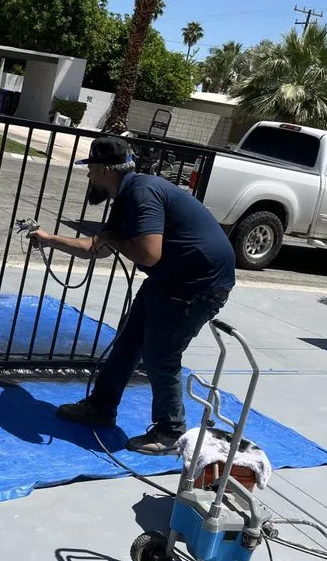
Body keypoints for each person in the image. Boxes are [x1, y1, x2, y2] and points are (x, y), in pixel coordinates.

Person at [30, 136, 235, 455]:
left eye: (91, 169)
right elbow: (94, 250)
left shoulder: (140, 193)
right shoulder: (125, 196)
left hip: (199, 284)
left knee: (160, 354)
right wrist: (48, 240)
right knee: (128, 340)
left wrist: (113, 238)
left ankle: (170, 431)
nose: (88, 177)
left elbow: (149, 254)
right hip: (171, 279)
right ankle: (101, 407)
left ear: (103, 170)